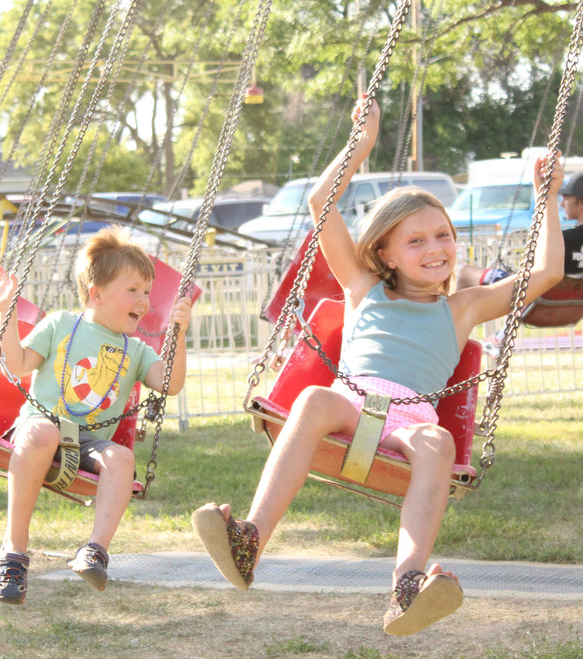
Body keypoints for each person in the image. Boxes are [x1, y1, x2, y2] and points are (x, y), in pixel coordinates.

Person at [192, 97, 565, 636]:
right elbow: (322, 201)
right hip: (350, 401)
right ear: (386, 253)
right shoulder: (363, 288)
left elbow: (548, 273)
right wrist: (358, 146)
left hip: (411, 419)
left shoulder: (462, 308)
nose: (435, 249)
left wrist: (546, 199)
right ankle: (250, 540)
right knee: (312, 399)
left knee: (439, 442)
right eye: (416, 241)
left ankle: (407, 586)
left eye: (443, 236)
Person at [0, 227, 192, 605]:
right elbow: (17, 362)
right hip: (39, 426)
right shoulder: (61, 324)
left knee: (122, 457)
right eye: (133, 290)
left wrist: (180, 332)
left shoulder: (137, 350)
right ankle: (13, 553)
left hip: (87, 441)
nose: (143, 301)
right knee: (43, 433)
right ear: (96, 293)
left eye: (147, 292)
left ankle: (95, 551)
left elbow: (170, 384)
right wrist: (5, 311)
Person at [457, 169, 583, 288]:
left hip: (531, 296)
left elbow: (534, 273)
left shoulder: (560, 241)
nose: (562, 204)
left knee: (465, 272)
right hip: (572, 302)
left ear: (581, 203)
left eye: (566, 198)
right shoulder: (563, 240)